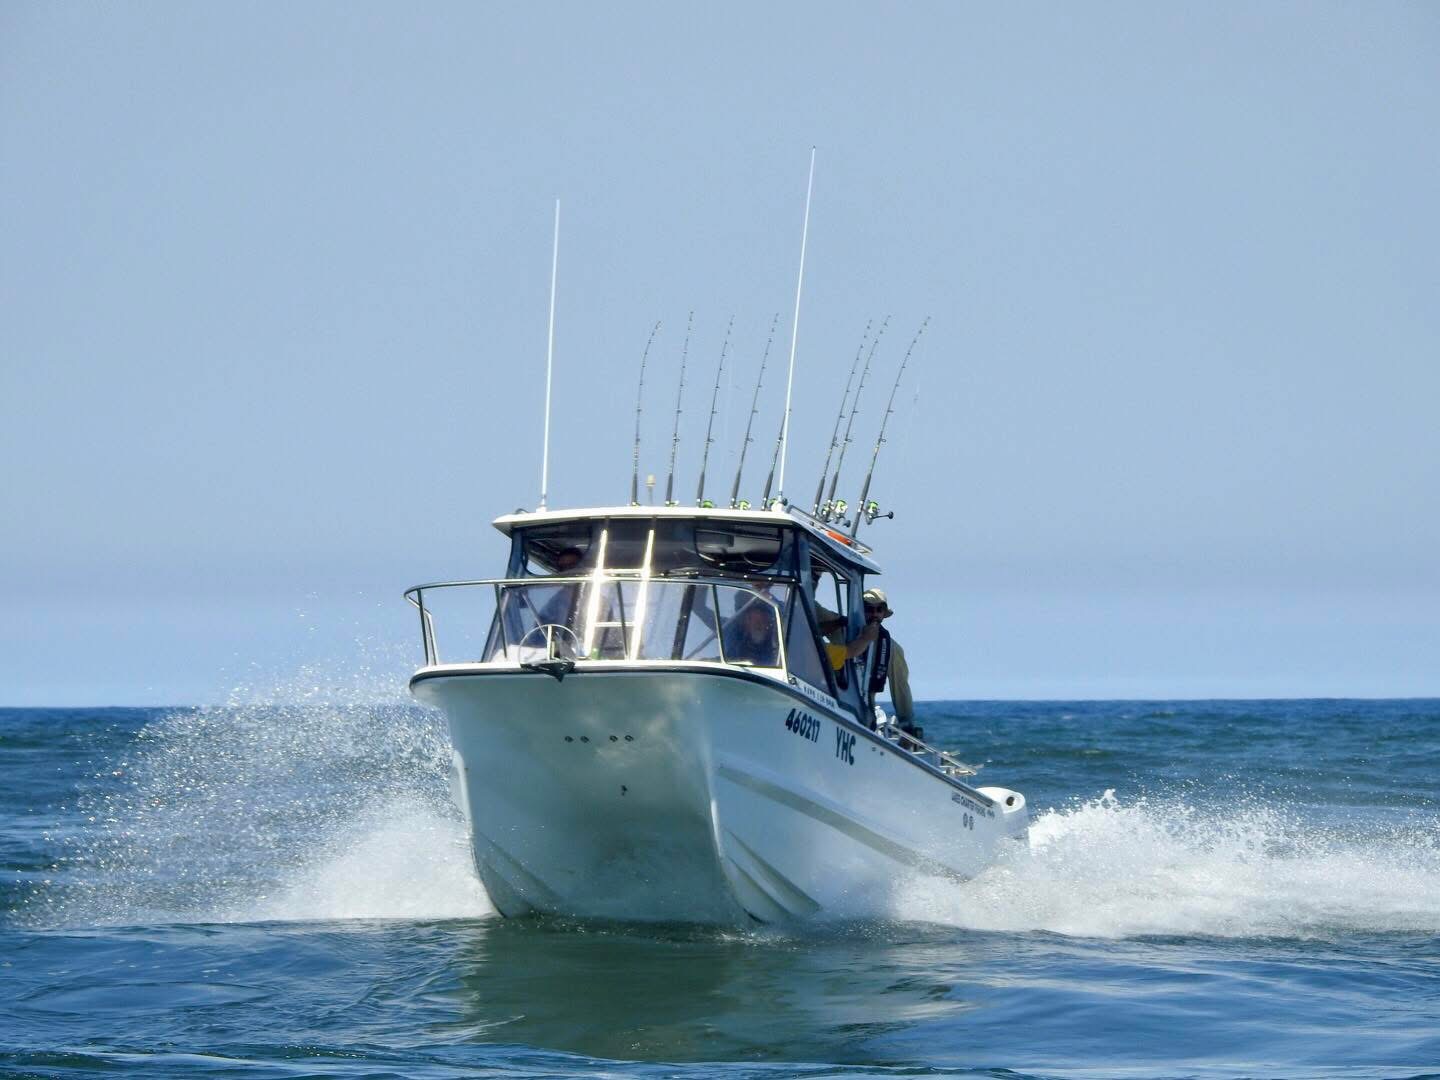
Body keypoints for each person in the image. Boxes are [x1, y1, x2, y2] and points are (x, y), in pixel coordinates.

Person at [861, 587, 919, 741]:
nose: (874, 614)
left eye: (879, 609)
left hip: (865, 713)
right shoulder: (844, 632)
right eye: (869, 609)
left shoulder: (892, 649)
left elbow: (901, 688)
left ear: (883, 614)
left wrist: (907, 725)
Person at [722, 595, 780, 666]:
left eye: (762, 620)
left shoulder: (779, 638)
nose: (758, 625)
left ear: (768, 622)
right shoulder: (731, 630)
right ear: (745, 621)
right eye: (754, 620)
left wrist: (769, 596)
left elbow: (787, 615)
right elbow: (708, 615)